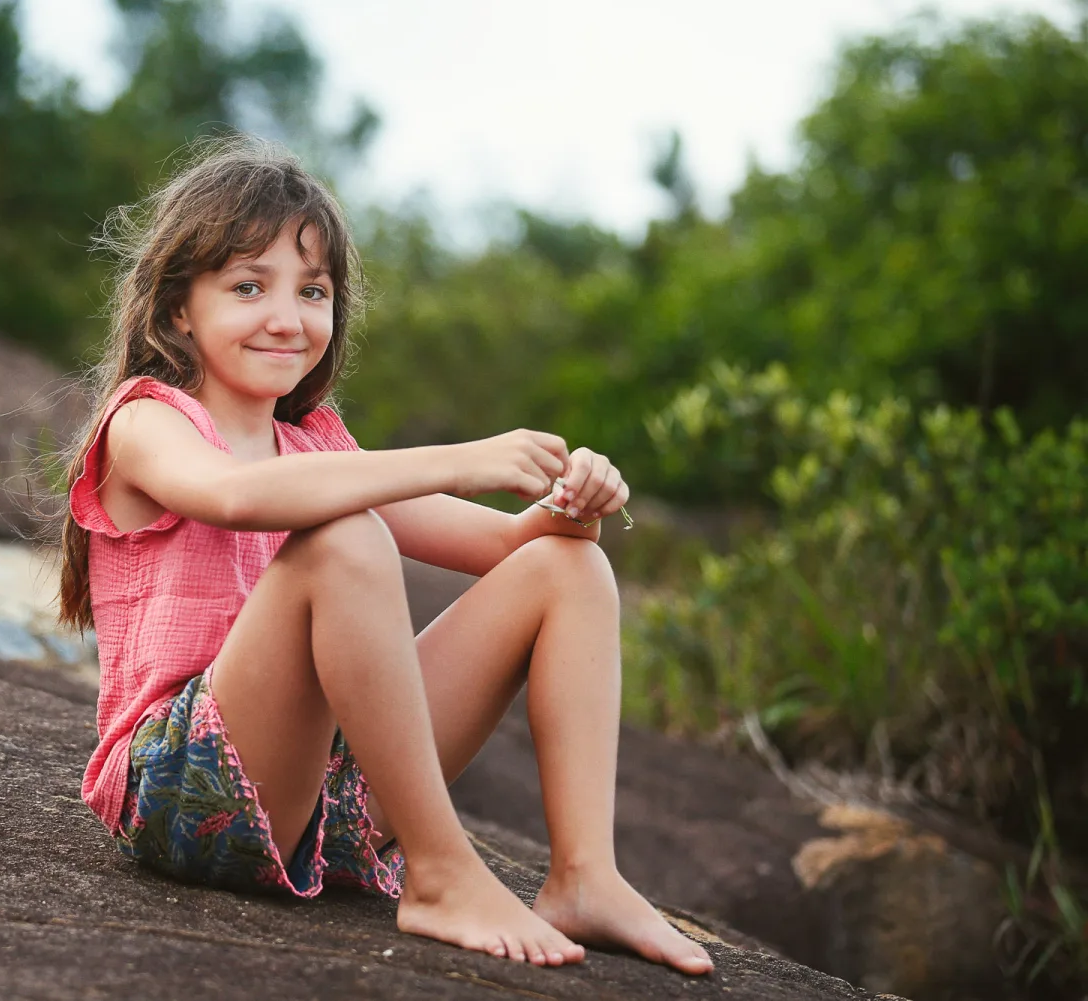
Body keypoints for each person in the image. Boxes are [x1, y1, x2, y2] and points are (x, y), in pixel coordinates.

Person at [55, 134, 713, 975]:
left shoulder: (315, 443)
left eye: (313, 291)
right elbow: (231, 496)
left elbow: (515, 549)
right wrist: (464, 457)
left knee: (569, 570)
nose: (287, 318)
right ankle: (440, 871)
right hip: (178, 791)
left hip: (322, 798)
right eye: (249, 286)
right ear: (181, 307)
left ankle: (585, 872)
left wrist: (577, 503)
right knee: (346, 537)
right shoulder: (147, 419)